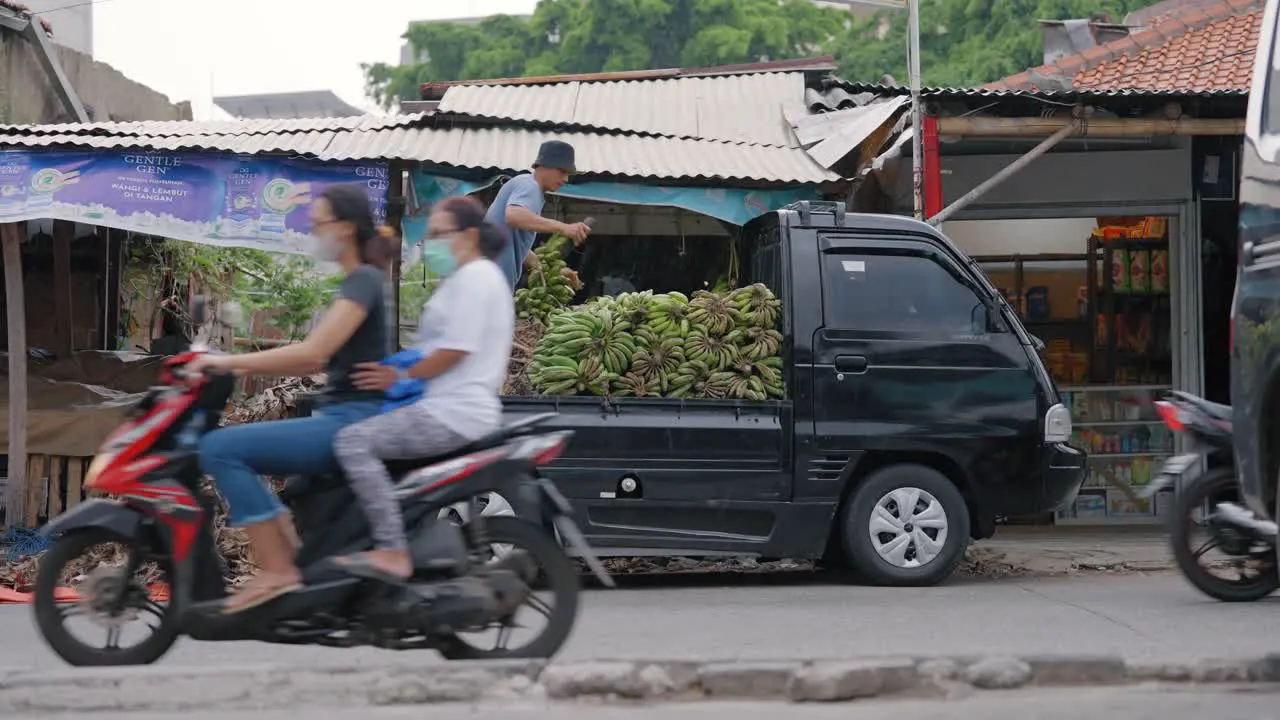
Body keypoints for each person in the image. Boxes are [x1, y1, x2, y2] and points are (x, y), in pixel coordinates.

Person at [185, 184, 394, 614]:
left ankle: (278, 568)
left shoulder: (364, 282)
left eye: (319, 224)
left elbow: (313, 354)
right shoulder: (358, 281)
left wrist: (227, 364)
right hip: (342, 415)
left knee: (220, 447)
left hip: (348, 421)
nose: (314, 232)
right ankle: (288, 542)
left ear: (346, 228)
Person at [330, 196, 515, 579]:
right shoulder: (469, 278)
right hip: (450, 407)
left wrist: (400, 377)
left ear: (466, 235)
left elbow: (453, 350)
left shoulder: (474, 277)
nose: (429, 242)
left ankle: (391, 551)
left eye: (437, 234)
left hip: (450, 413)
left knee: (353, 442)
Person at [485, 140, 592, 290]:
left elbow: (522, 250)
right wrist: (564, 228)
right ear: (544, 166)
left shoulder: (527, 188)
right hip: (491, 279)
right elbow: (514, 216)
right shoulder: (530, 186)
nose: (565, 179)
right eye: (562, 171)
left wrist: (556, 273)